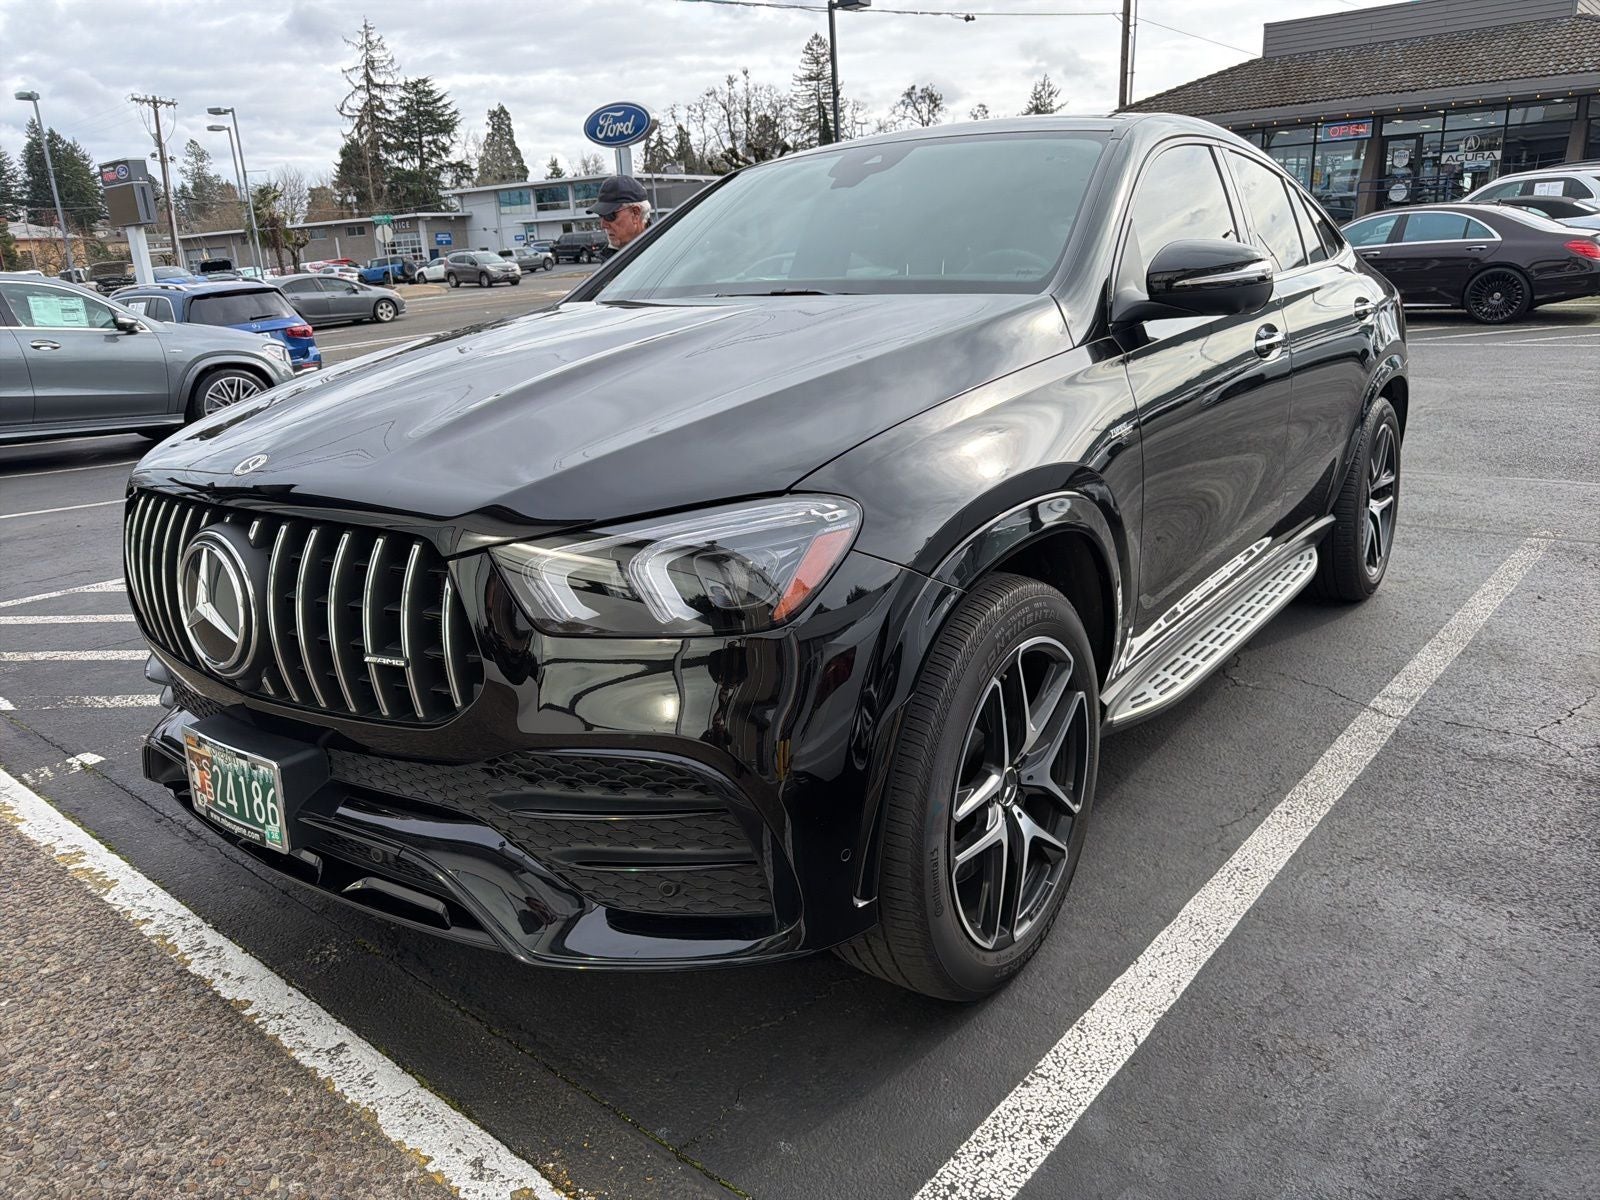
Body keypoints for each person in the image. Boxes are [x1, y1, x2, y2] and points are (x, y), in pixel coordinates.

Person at [587, 175, 652, 252]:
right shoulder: (608, 257)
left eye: (609, 216)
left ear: (635, 213)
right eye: (600, 215)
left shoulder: (661, 251)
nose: (603, 225)